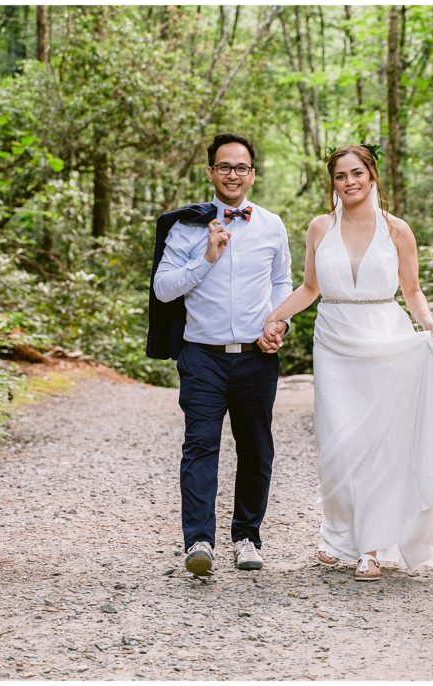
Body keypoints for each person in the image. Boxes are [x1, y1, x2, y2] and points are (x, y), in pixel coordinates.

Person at [263, 145, 433, 581]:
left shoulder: (397, 230)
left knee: (377, 445)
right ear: (332, 182)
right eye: (340, 176)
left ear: (372, 175)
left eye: (357, 173)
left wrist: (428, 322)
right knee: (337, 443)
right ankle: (336, 535)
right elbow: (309, 287)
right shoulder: (320, 228)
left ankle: (369, 548)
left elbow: (411, 291)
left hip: (384, 336)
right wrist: (274, 316)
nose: (349, 182)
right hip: (334, 340)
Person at [152, 133, 293, 577]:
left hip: (256, 357)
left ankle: (247, 537)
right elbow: (164, 287)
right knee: (200, 446)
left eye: (242, 167)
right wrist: (207, 258)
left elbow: (282, 283)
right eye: (225, 166)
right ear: (210, 172)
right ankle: (199, 540)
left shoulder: (272, 225)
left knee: (256, 449)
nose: (234, 174)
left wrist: (280, 323)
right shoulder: (188, 226)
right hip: (201, 355)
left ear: (252, 174)